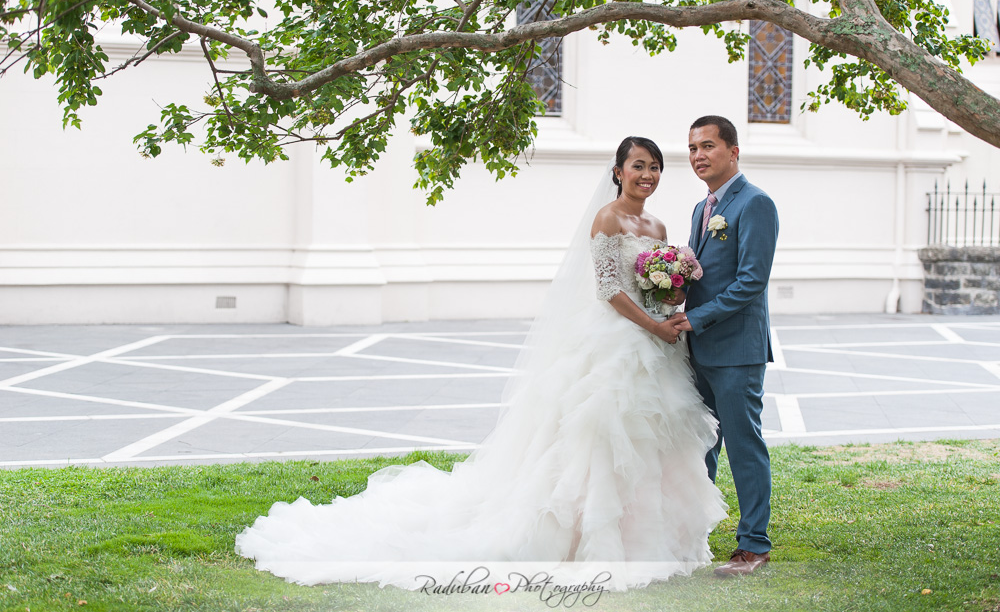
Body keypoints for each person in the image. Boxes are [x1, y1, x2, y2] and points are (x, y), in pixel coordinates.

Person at [235, 137, 727, 591]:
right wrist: (652, 324)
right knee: (603, 437)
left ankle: (652, 539)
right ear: (618, 171)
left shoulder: (659, 226)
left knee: (654, 441)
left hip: (657, 338)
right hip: (617, 343)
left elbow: (655, 282)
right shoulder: (607, 220)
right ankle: (589, 540)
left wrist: (672, 295)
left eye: (656, 167)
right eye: (638, 166)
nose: (648, 174)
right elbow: (608, 290)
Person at [667, 115, 779, 577]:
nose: (698, 156)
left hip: (736, 350)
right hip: (699, 349)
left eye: (708, 146)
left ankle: (753, 544)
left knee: (742, 444)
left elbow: (752, 281)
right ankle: (692, 537)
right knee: (700, 445)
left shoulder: (755, 204)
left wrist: (695, 318)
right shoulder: (701, 209)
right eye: (693, 148)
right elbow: (703, 276)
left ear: (733, 151)